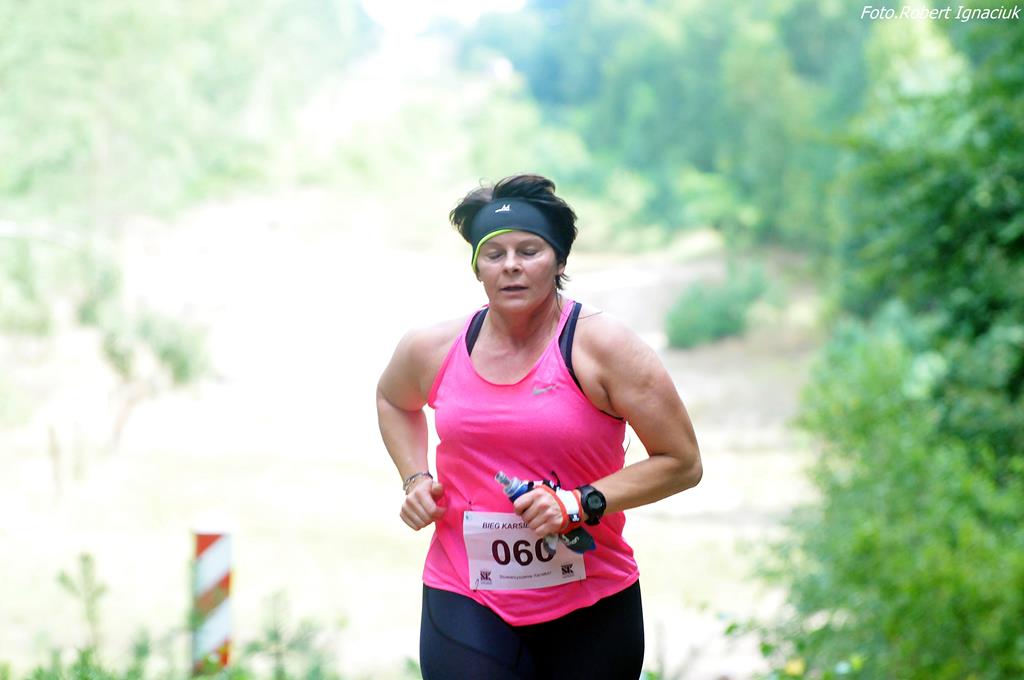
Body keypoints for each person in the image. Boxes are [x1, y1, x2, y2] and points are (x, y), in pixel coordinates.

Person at [376, 174, 702, 679]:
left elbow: (682, 462)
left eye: (529, 251)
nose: (511, 265)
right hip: (467, 593)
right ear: (477, 267)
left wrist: (576, 503)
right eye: (494, 253)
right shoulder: (431, 348)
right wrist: (415, 478)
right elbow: (393, 400)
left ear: (559, 261)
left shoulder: (605, 348)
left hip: (590, 601)